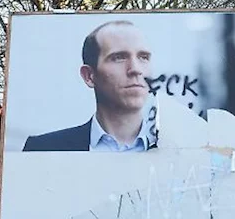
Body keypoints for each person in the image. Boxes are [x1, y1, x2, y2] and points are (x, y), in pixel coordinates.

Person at [23, 20, 154, 152]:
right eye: (118, 57)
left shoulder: (173, 148)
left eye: (143, 57)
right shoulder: (43, 149)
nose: (136, 69)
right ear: (89, 76)